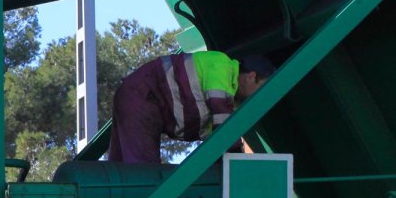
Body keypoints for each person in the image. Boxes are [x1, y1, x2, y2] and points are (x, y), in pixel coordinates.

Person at [108, 51, 275, 164]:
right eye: (261, 88)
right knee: (141, 172)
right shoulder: (222, 65)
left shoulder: (230, 100)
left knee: (120, 165)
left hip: (143, 99)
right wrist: (235, 153)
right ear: (251, 77)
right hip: (143, 95)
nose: (260, 97)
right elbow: (220, 110)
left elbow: (212, 135)